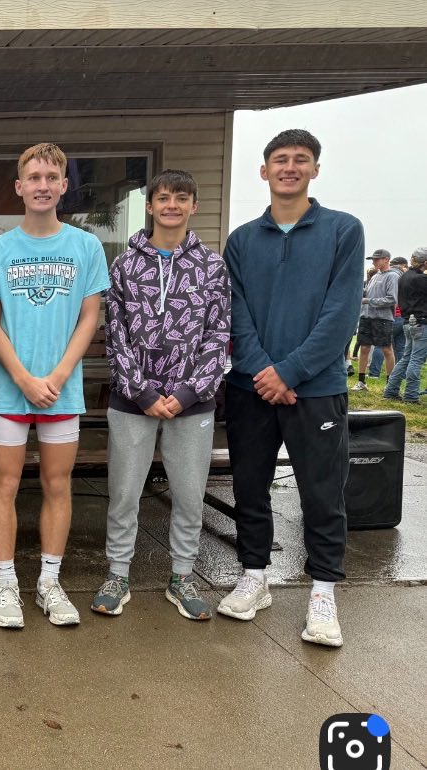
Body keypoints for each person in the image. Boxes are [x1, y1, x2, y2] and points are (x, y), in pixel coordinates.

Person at [219, 129, 363, 648]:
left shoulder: (343, 231)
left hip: (316, 388)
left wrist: (291, 372)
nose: (289, 167)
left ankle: (323, 593)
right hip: (250, 386)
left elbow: (341, 313)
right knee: (250, 488)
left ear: (314, 170)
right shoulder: (241, 240)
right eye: (280, 160)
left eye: (300, 160)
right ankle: (254, 576)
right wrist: (264, 370)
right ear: (264, 171)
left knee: (323, 494)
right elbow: (235, 316)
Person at [92, 169, 230, 622]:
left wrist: (189, 392)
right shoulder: (124, 266)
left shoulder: (212, 267)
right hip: (133, 402)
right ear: (149, 206)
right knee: (124, 492)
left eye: (181, 198)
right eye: (163, 198)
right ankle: (117, 574)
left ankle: (183, 575)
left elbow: (218, 335)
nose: (172, 205)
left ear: (194, 205)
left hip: (194, 404)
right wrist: (145, 392)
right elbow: (116, 335)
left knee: (189, 494)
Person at [0, 143, 109, 629]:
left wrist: (55, 377)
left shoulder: (86, 247)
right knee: (6, 483)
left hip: (61, 391)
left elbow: (90, 315)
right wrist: (22, 377)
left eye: (50, 177)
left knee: (57, 484)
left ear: (62, 186)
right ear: (19, 187)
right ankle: (6, 584)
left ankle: (49, 583)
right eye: (32, 177)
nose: (41, 184)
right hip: (11, 390)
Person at [383, 248, 427, 403]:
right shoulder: (421, 279)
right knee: (416, 360)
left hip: (408, 321)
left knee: (406, 358)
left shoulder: (404, 276)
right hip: (421, 323)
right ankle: (410, 395)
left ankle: (391, 390)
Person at [351, 249, 398, 390]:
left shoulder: (393, 276)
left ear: (386, 259)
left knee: (387, 350)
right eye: (373, 259)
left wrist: (367, 300)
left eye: (377, 259)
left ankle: (390, 384)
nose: (374, 261)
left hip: (383, 318)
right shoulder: (375, 275)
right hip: (366, 316)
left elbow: (392, 299)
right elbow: (367, 294)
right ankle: (361, 382)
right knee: (364, 348)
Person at [369, 255, 408, 377]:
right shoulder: (404, 276)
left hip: (391, 315)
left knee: (381, 345)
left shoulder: (389, 275)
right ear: (402, 265)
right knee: (400, 348)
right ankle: (402, 374)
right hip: (403, 316)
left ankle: (374, 373)